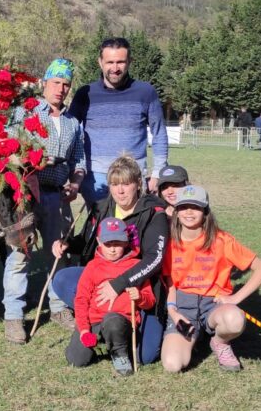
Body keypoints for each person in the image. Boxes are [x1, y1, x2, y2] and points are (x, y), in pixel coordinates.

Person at [51, 154, 169, 365]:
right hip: (102, 277)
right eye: (115, 184)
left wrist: (119, 284)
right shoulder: (101, 207)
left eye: (126, 184)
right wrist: (67, 243)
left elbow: (155, 258)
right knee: (61, 279)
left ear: (138, 184)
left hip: (140, 287)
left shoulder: (154, 212)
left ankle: (119, 324)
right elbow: (88, 241)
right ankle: (95, 320)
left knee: (145, 356)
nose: (120, 191)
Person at [3, 58, 86, 343]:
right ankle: (14, 317)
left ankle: (59, 307)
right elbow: (7, 150)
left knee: (57, 254)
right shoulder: (23, 113)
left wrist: (75, 182)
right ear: (44, 83)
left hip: (56, 197)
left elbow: (79, 159)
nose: (60, 89)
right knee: (19, 256)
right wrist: (30, 159)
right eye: (56, 83)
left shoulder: (73, 123)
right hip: (25, 196)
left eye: (65, 84)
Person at [161, 185, 261, 373]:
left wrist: (234, 299)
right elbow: (169, 282)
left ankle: (219, 342)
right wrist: (174, 313)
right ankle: (196, 335)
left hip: (213, 304)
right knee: (173, 365)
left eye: (195, 207)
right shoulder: (168, 242)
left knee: (234, 320)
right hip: (183, 305)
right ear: (176, 211)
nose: (189, 212)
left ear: (205, 211)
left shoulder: (222, 240)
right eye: (184, 206)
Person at [68, 38, 168, 203]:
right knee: (100, 227)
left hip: (133, 176)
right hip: (96, 178)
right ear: (100, 62)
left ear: (130, 61)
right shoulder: (85, 93)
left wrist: (158, 173)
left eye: (120, 62)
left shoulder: (146, 92)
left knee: (133, 228)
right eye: (110, 62)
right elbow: (69, 131)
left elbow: (159, 134)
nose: (115, 68)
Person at [65, 218, 155, 376]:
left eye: (117, 244)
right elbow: (81, 300)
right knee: (76, 359)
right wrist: (84, 330)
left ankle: (119, 353)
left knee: (113, 320)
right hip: (94, 323)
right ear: (99, 242)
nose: (112, 249)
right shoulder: (92, 267)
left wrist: (139, 297)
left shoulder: (136, 266)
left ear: (126, 242)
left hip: (121, 323)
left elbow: (150, 301)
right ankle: (102, 345)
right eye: (108, 244)